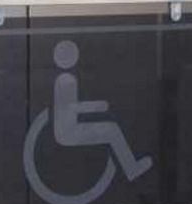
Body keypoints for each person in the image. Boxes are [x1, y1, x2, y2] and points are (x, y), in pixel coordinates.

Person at [50, 40, 154, 181]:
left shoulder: (64, 78)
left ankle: (130, 167)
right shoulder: (67, 80)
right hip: (68, 131)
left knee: (110, 127)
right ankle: (131, 168)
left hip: (67, 127)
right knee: (111, 129)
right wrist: (98, 106)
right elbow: (72, 108)